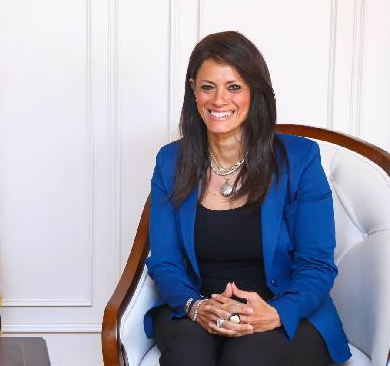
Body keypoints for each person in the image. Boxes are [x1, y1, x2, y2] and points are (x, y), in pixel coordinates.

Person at [144, 31, 351, 365]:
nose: (219, 100)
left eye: (234, 87)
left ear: (255, 92)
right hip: (197, 306)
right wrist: (195, 306)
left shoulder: (300, 159)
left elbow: (316, 263)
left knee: (244, 359)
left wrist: (277, 313)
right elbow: (165, 260)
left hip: (281, 306)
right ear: (193, 90)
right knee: (187, 357)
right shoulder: (170, 162)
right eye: (208, 87)